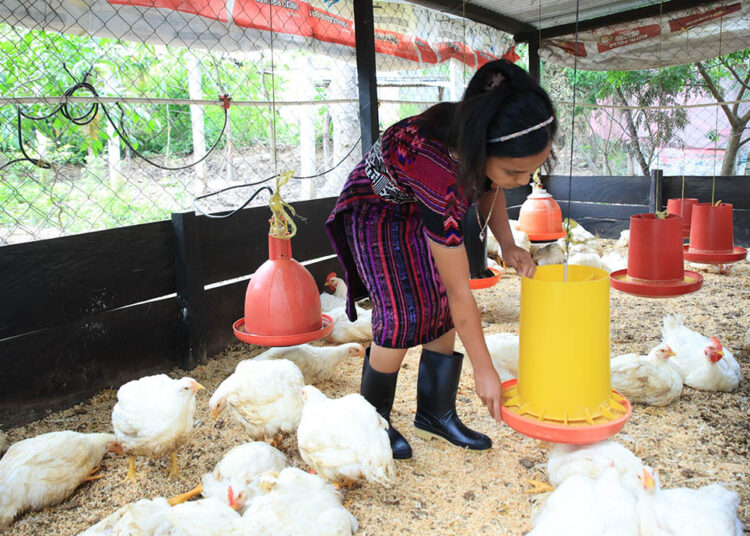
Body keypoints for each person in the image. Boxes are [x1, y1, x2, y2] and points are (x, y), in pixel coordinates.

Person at [325, 59, 557, 460]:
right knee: (401, 316)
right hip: (375, 211)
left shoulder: (475, 139)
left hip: (417, 205)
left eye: (531, 171)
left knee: (438, 308)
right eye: (516, 171)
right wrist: (484, 370)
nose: (524, 181)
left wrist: (508, 243)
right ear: (481, 150)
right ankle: (372, 422)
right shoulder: (440, 174)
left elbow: (490, 183)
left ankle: (435, 414)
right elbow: (459, 290)